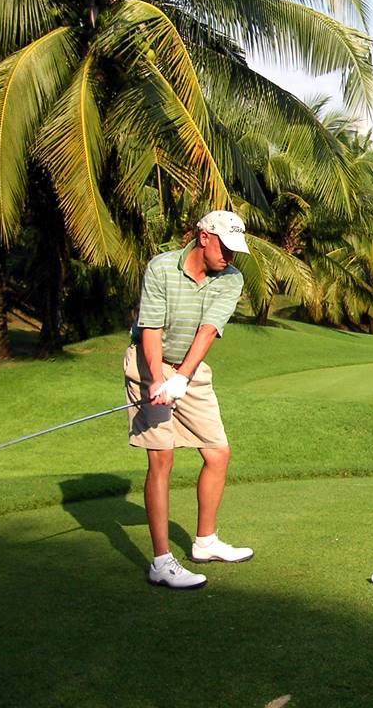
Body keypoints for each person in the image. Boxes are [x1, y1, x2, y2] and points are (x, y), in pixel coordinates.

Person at [124, 209, 253, 589]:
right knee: (162, 458)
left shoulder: (231, 278)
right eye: (224, 247)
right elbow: (151, 329)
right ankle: (161, 562)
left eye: (235, 250)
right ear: (204, 237)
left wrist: (181, 378)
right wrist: (156, 380)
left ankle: (205, 542)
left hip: (190, 371)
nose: (229, 256)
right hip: (148, 364)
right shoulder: (162, 268)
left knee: (218, 453)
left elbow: (208, 330)